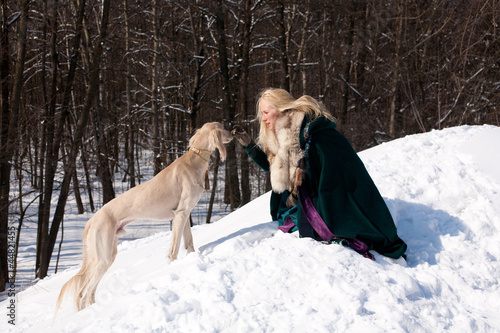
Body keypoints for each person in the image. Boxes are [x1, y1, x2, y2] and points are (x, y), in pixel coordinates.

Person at [232, 88, 407, 260]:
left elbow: (328, 162)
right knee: (285, 218)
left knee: (309, 223)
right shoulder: (279, 133)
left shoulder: (306, 130)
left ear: (280, 108)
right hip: (300, 195)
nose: (263, 118)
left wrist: (305, 179)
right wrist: (250, 147)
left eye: (265, 112)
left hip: (321, 193)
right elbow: (275, 168)